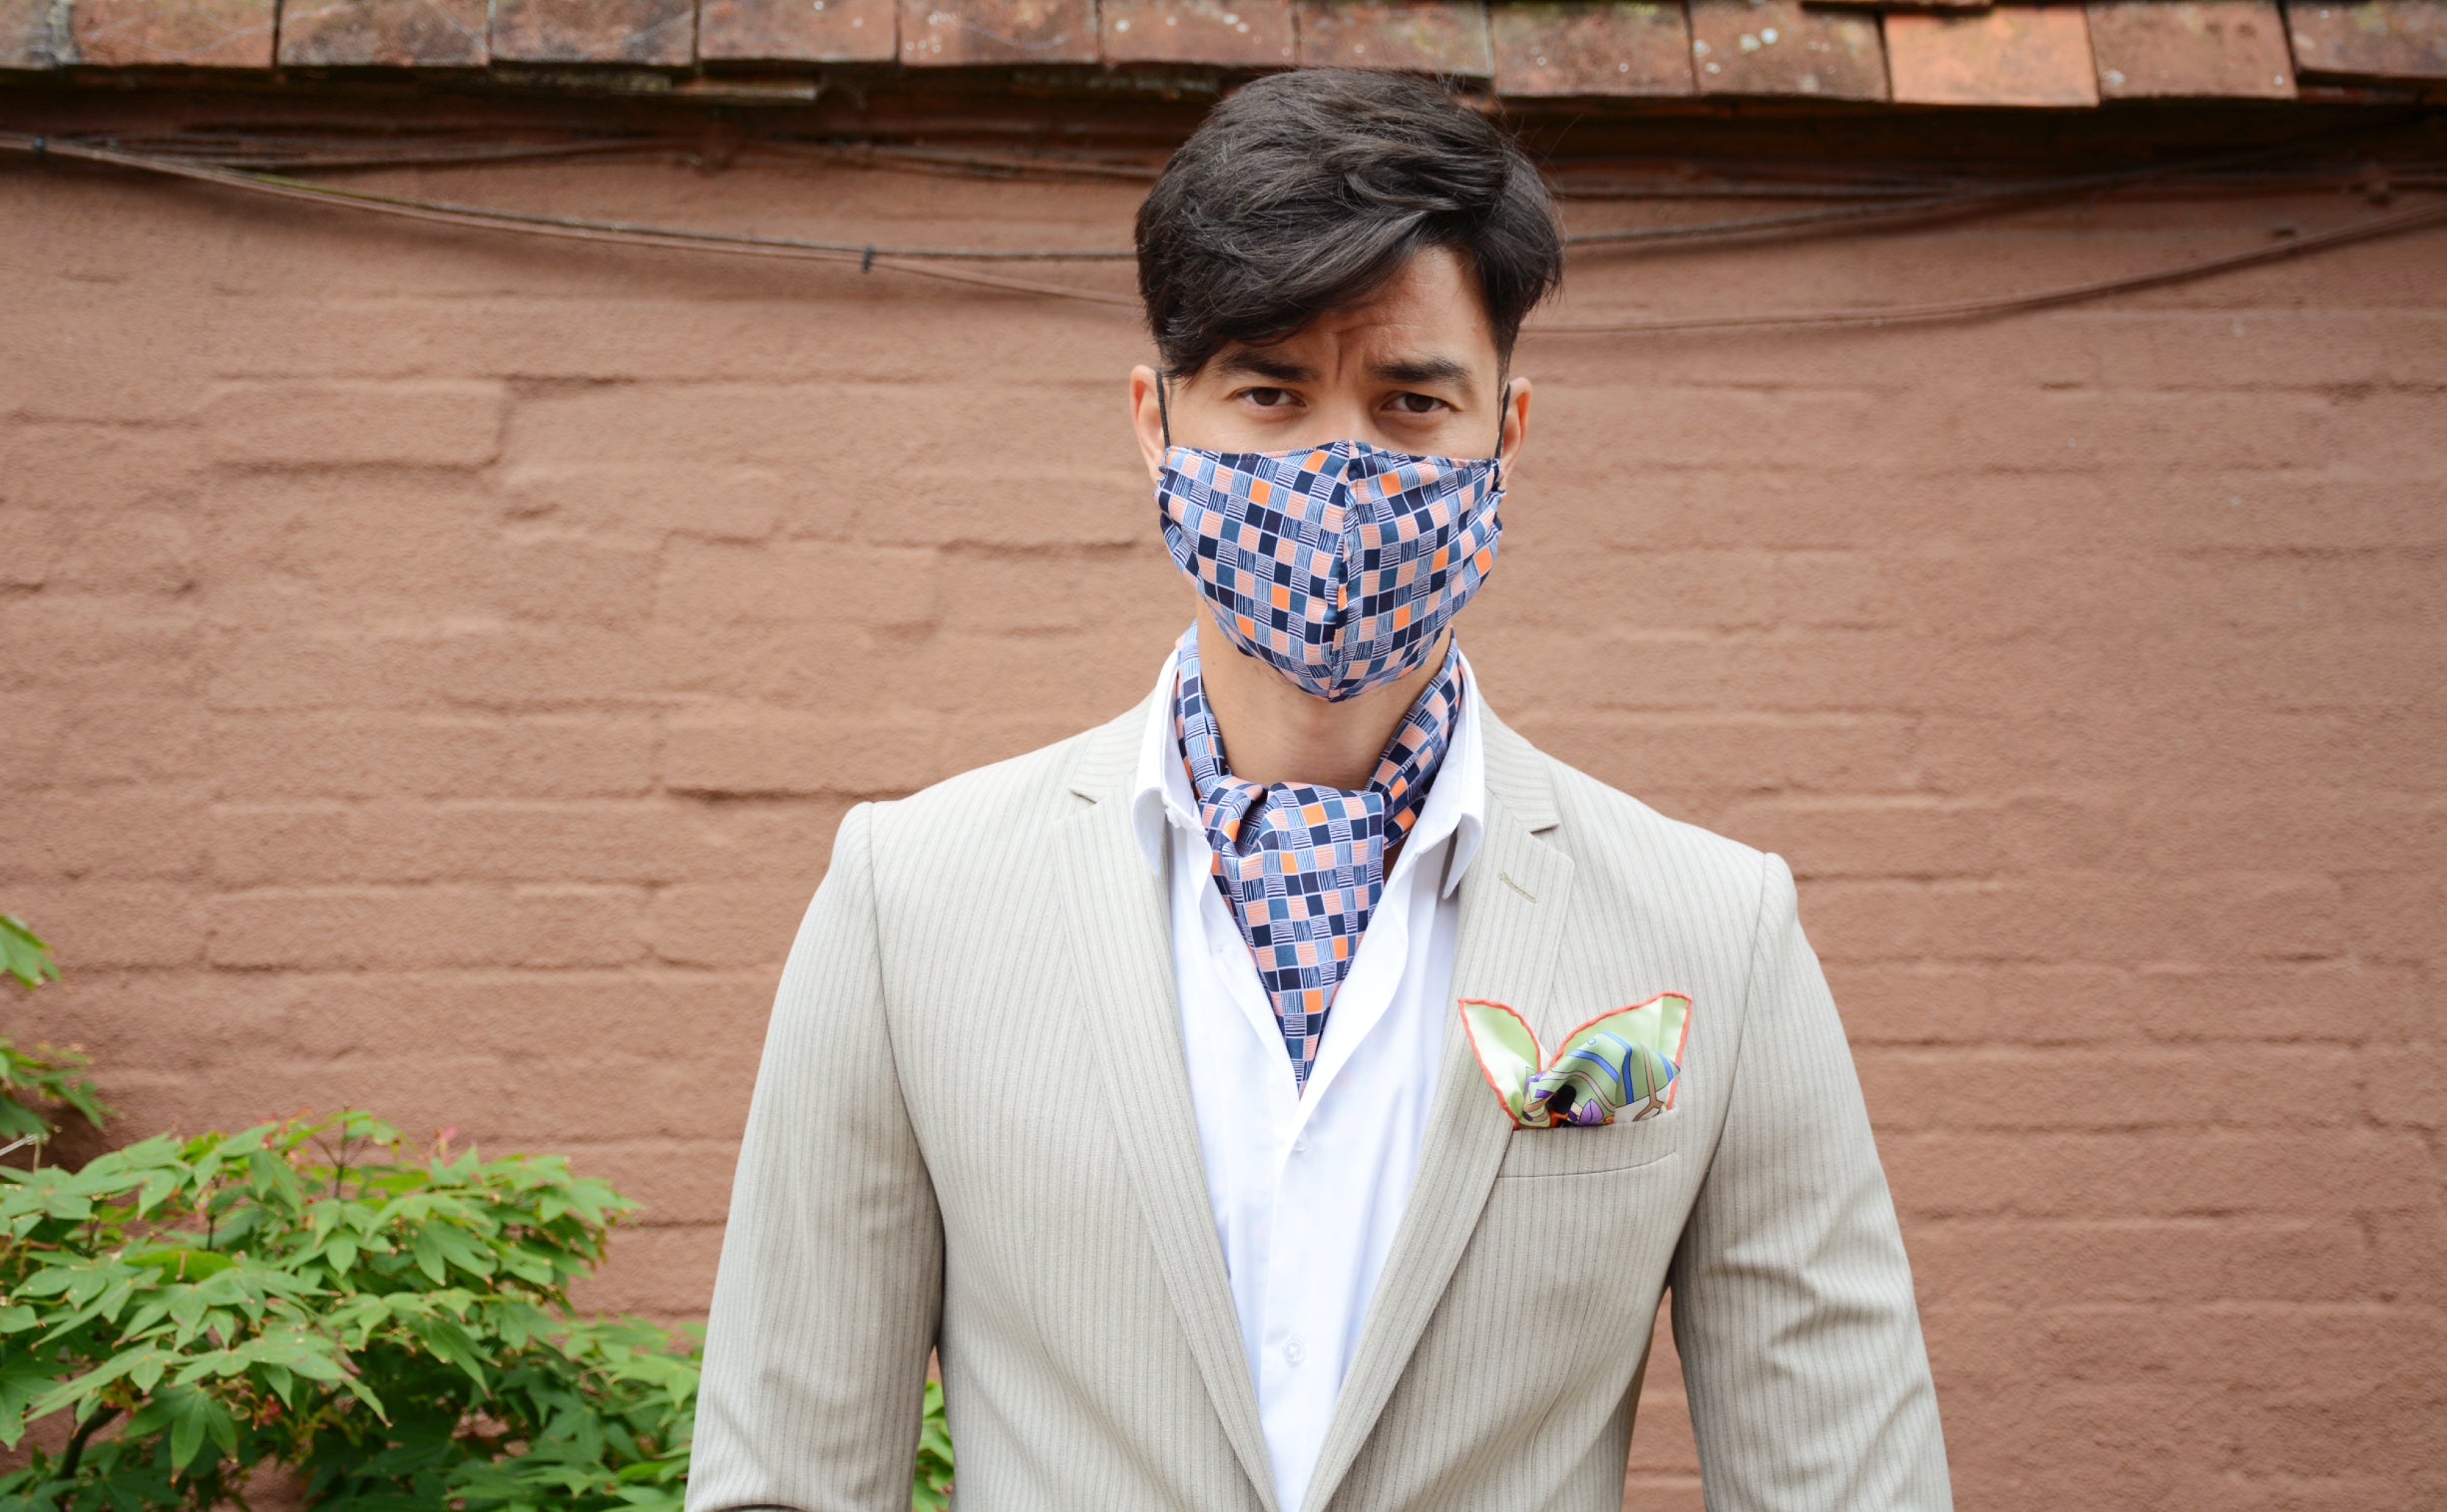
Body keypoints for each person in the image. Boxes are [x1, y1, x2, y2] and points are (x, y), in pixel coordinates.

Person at [687, 68, 1951, 1512]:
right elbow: (786, 1476)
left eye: (1411, 402)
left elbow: (1847, 1482)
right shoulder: (909, 902)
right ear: (1157, 422)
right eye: (1271, 393)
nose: (1337, 469)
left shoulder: (1716, 930)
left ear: (1506, 436)